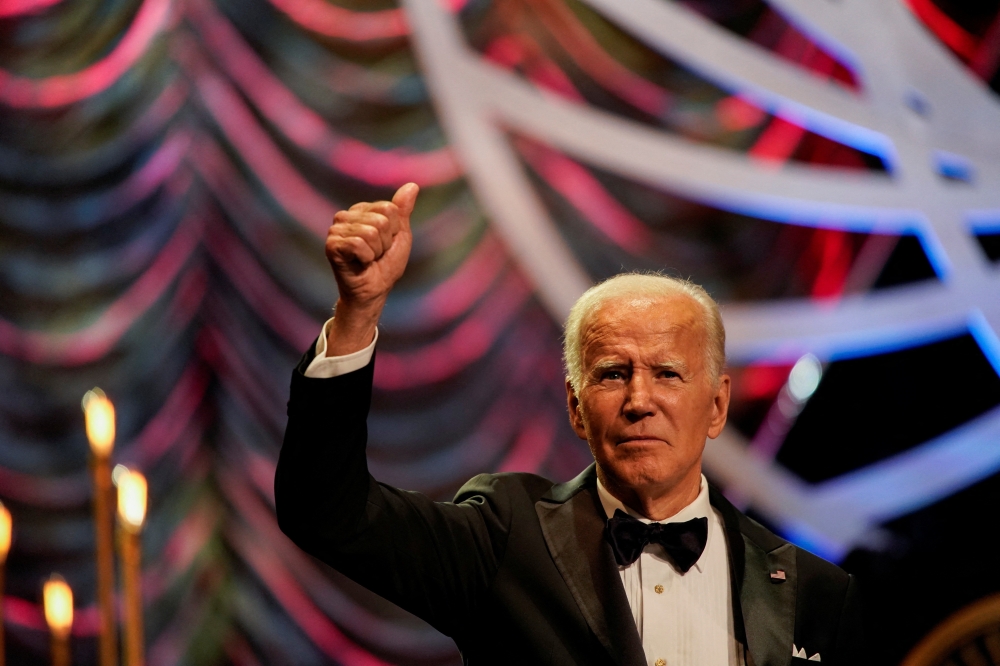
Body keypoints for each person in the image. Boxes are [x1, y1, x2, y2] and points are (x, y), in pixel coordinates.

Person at [275, 183, 864, 666]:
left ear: (716, 406)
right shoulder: (505, 538)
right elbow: (326, 513)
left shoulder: (814, 592)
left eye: (667, 374)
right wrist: (358, 312)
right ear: (577, 408)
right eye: (612, 375)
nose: (639, 400)